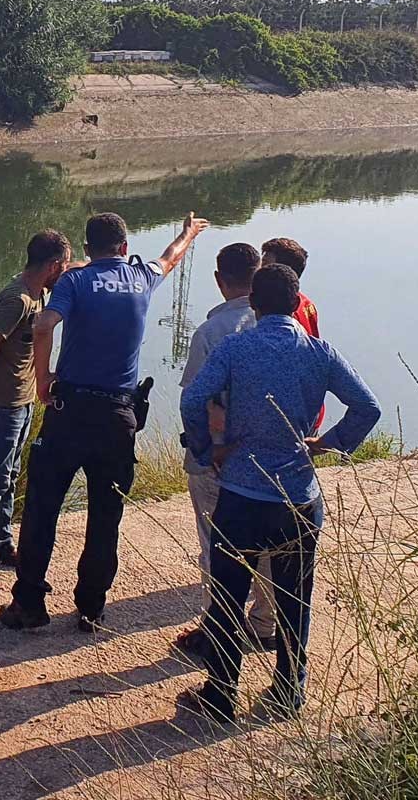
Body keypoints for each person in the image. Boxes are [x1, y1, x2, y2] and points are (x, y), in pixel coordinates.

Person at [178, 263, 381, 724]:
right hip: (297, 496)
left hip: (242, 493)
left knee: (230, 595)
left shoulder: (234, 348)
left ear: (253, 302)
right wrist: (329, 444)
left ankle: (222, 692)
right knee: (294, 597)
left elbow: (193, 400)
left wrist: (208, 448)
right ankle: (289, 690)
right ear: (297, 303)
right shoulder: (319, 352)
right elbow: (368, 406)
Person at [0, 210, 209, 632]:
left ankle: (29, 605)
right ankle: (91, 607)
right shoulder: (141, 276)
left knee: (42, 508)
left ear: (88, 248)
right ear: (125, 248)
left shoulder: (75, 281)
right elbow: (170, 257)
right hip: (118, 416)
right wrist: (188, 232)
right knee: (105, 514)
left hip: (70, 411)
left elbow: (43, 325)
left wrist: (44, 381)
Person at [0, 229, 73, 591]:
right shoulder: (18, 299)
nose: (66, 272)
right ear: (52, 265)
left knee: (10, 473)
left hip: (20, 401)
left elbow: (78, 267)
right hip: (2, 403)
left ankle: (1, 544)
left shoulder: (41, 292)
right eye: (63, 266)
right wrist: (2, 375)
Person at [169, 241, 266, 662]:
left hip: (221, 457)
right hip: (269, 455)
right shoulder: (280, 322)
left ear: (218, 280)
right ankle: (265, 624)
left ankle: (217, 627)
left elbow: (194, 399)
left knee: (216, 543)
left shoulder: (212, 333)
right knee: (267, 543)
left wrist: (204, 451)